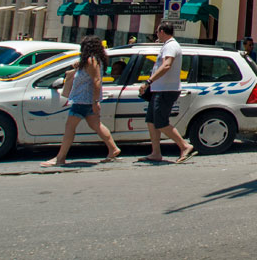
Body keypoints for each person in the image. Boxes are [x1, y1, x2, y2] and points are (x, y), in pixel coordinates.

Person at [41, 36, 121, 167]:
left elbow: (96, 80)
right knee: (96, 125)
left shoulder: (91, 60)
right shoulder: (93, 60)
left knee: (70, 128)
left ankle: (60, 157)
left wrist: (96, 101)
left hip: (83, 100)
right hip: (87, 99)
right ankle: (113, 148)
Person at [138, 22, 196, 164]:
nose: (156, 34)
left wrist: (149, 81)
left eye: (157, 32)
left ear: (163, 31)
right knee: (151, 121)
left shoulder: (170, 46)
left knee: (161, 122)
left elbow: (167, 65)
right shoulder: (167, 45)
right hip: (159, 89)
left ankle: (184, 146)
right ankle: (156, 152)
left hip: (166, 90)